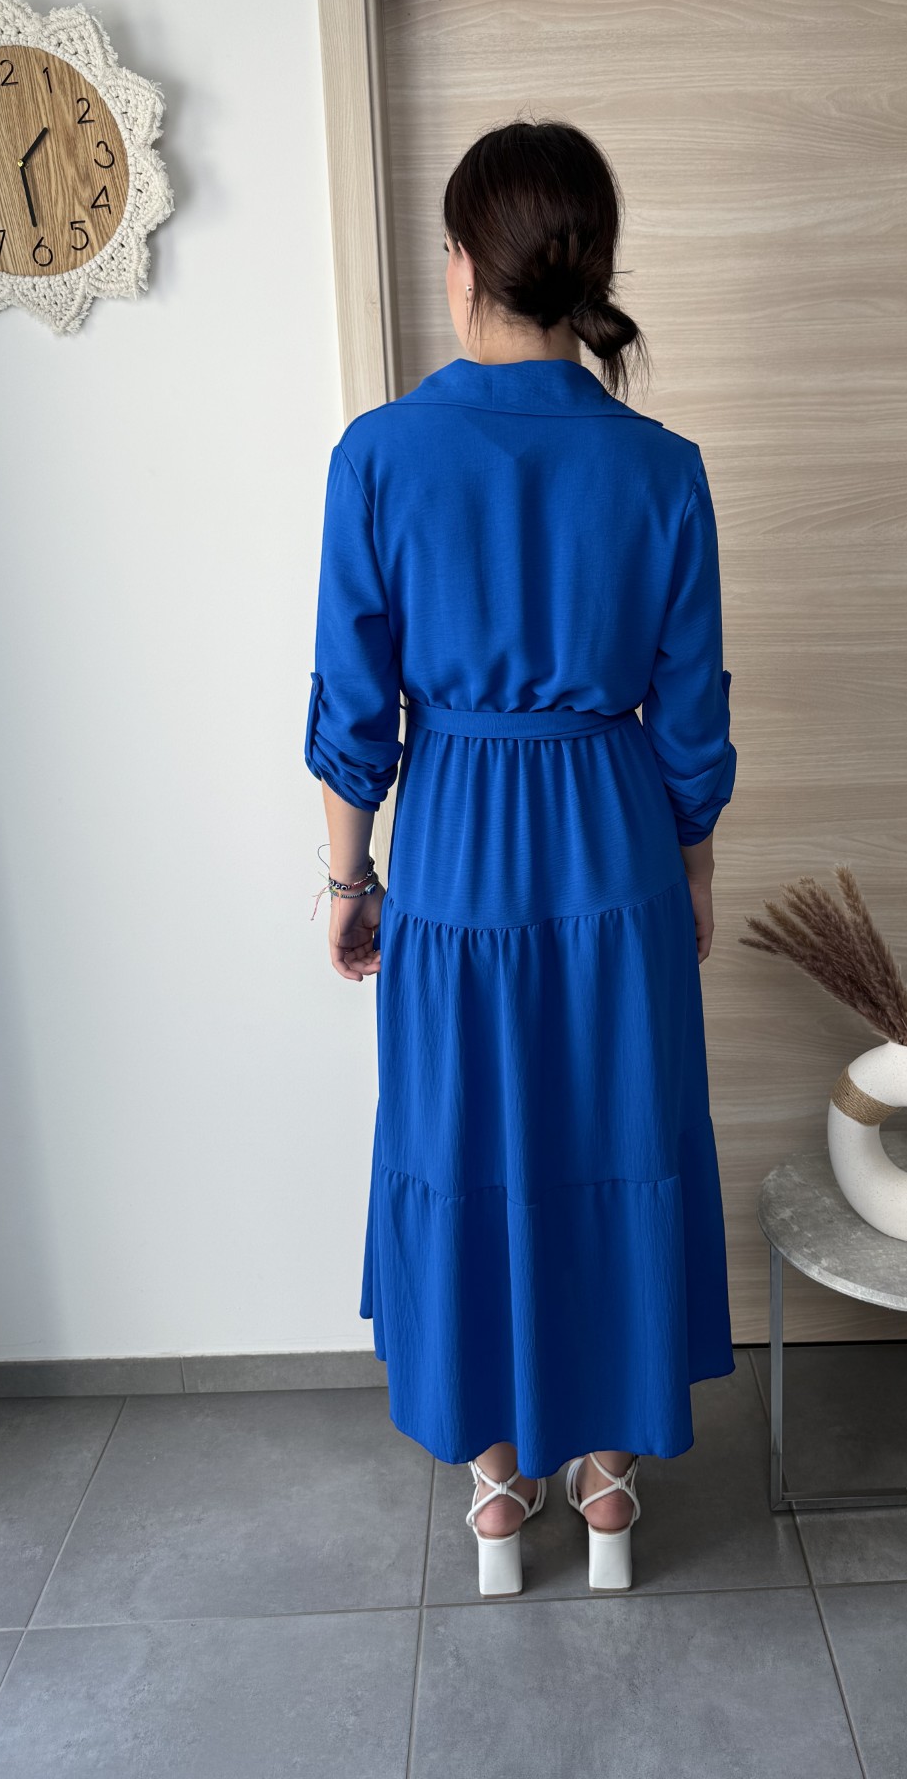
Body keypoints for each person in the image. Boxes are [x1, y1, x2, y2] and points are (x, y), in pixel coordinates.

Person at [305, 119, 738, 1596]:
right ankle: (609, 1488)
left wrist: (350, 883)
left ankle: (499, 1497)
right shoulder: (661, 468)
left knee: (469, 1142)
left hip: (459, 851)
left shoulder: (380, 457)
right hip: (615, 838)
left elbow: (354, 711)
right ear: (585, 271)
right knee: (616, 1136)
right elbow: (692, 714)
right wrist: (690, 866)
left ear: (461, 266)